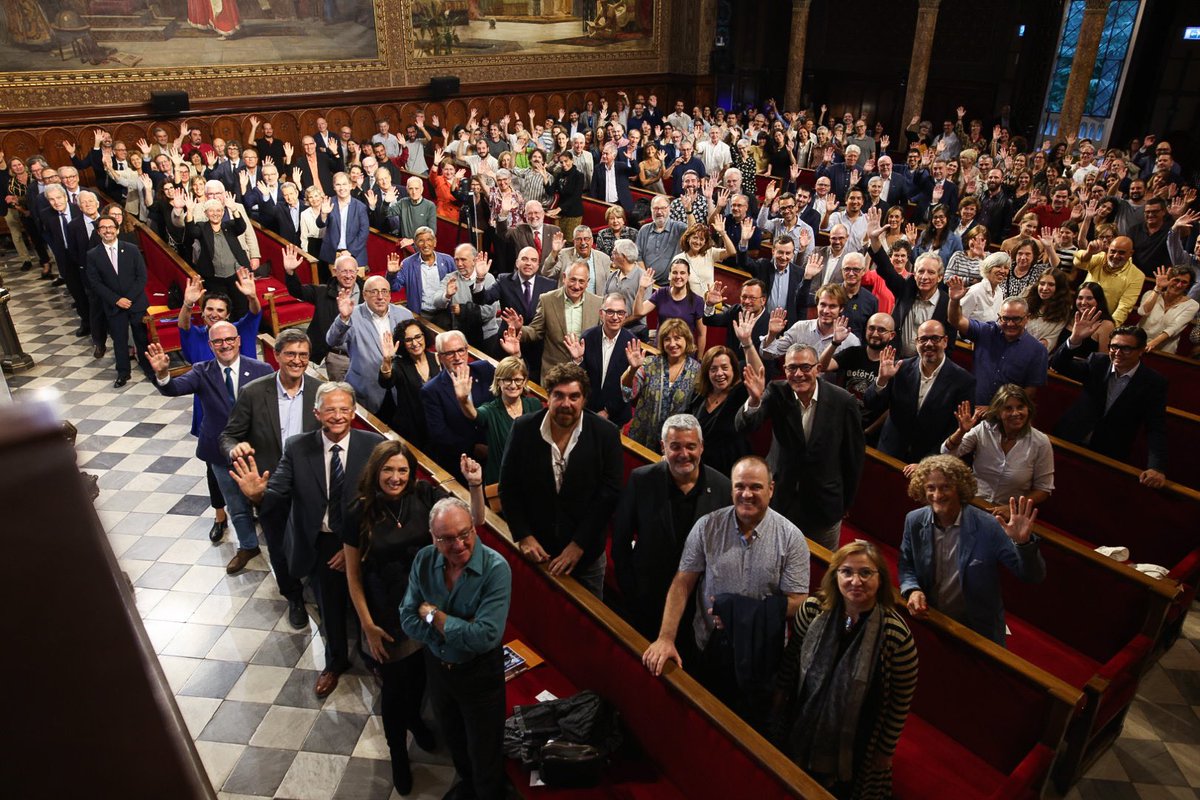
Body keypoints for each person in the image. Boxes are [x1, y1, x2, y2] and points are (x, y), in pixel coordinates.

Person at [343, 442, 485, 795]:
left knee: (422, 678)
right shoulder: (359, 512)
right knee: (394, 691)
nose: (395, 477)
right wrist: (367, 625)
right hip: (386, 616)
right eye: (388, 470)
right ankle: (397, 754)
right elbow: (352, 576)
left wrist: (475, 485)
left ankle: (416, 722)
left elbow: (475, 521)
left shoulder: (423, 496)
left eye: (402, 470)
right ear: (376, 471)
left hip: (429, 610)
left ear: (412, 472)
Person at [231, 382, 386, 697]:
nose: (338, 416)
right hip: (323, 544)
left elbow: (382, 503)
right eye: (330, 409)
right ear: (317, 413)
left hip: (364, 542)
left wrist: (354, 548)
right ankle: (335, 662)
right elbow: (279, 490)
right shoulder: (298, 446)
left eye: (345, 409)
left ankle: (378, 662)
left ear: (354, 412)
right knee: (329, 611)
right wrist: (259, 496)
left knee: (372, 606)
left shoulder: (374, 446)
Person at [642, 456, 810, 726]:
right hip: (707, 646)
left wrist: (740, 611)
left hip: (761, 656)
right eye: (739, 486)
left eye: (755, 487)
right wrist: (665, 637)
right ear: (731, 489)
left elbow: (798, 602)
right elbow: (682, 583)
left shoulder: (791, 539)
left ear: (771, 489)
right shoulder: (708, 526)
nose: (746, 494)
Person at [773, 541, 918, 799]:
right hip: (802, 718)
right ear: (835, 575)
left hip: (856, 736)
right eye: (846, 572)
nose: (855, 581)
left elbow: (900, 701)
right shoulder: (813, 610)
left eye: (865, 573)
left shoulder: (896, 635)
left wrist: (885, 751)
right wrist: (779, 698)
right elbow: (791, 662)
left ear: (881, 579)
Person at [399, 497, 511, 800]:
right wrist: (459, 628)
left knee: (484, 750)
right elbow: (407, 618)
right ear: (434, 538)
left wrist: (434, 615)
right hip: (438, 668)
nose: (459, 544)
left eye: (465, 534)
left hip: (480, 674)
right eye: (447, 538)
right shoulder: (424, 559)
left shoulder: (496, 569)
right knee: (454, 737)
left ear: (474, 530)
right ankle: (469, 787)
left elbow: (485, 637)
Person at [147, 323, 273, 572]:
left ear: (238, 341)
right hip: (219, 452)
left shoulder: (262, 369)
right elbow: (174, 388)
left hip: (257, 451)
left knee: (269, 500)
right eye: (218, 342)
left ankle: (279, 543)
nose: (224, 345)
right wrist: (163, 373)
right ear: (210, 345)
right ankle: (248, 546)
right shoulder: (201, 371)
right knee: (235, 505)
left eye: (229, 340)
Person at [218, 329, 320, 627]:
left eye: (303, 355)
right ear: (277, 356)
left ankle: (320, 593)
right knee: (279, 547)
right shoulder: (253, 392)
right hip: (271, 488)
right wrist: (234, 448)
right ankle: (294, 597)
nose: (297, 360)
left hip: (312, 487)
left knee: (316, 542)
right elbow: (228, 435)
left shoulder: (320, 391)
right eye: (291, 354)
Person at [500, 363, 623, 599]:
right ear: (548, 396)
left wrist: (579, 545)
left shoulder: (605, 434)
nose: (566, 404)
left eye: (574, 396)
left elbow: (609, 495)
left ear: (584, 399)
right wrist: (523, 535)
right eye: (559, 395)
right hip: (538, 551)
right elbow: (509, 487)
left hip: (586, 554)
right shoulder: (523, 429)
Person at [899, 455, 1045, 647]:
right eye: (930, 488)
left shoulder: (988, 526)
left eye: (945, 487)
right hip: (931, 620)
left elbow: (1031, 576)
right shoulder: (914, 520)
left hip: (978, 631)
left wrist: (1023, 543)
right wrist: (912, 590)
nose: (937, 495)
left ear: (959, 488)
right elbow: (906, 564)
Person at [613, 414, 733, 641]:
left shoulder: (722, 488)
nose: (684, 454)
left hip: (697, 606)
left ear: (701, 447)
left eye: (691, 446)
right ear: (663, 447)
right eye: (675, 447)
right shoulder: (642, 480)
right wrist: (631, 590)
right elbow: (621, 540)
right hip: (646, 599)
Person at [736, 344, 865, 551]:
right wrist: (754, 400)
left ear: (818, 368)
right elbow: (745, 426)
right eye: (791, 368)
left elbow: (853, 457)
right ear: (785, 370)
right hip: (781, 499)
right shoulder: (776, 391)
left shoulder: (843, 401)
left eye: (805, 367)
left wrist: (845, 502)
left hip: (824, 505)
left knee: (820, 572)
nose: (798, 374)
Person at [1051, 323, 1168, 488]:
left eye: (1126, 349)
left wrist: (1156, 466)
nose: (1118, 353)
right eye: (1114, 347)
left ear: (1141, 350)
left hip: (1108, 452)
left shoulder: (1153, 382)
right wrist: (1074, 340)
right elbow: (1058, 364)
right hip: (1070, 438)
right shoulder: (1097, 362)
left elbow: (1156, 426)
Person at [866, 320, 975, 464]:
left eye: (935, 338)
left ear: (945, 341)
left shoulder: (963, 381)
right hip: (889, 453)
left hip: (928, 462)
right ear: (916, 342)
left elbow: (953, 430)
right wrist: (882, 381)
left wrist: (929, 462)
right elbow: (871, 404)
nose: (928, 344)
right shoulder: (900, 368)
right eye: (923, 339)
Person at [942, 386, 1054, 517]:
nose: (1016, 413)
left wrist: (1013, 508)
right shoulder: (984, 429)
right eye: (1008, 408)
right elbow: (947, 453)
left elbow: (1043, 489)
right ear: (998, 412)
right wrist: (961, 432)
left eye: (1020, 407)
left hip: (1007, 514)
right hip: (972, 503)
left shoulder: (1041, 442)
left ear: (1028, 409)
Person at [946, 281, 1048, 406]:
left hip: (1007, 417)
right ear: (999, 316)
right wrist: (954, 300)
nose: (1010, 324)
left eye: (1016, 319)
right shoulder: (986, 331)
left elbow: (1030, 392)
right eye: (1005, 318)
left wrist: (996, 410)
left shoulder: (1038, 350)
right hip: (974, 409)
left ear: (1027, 318)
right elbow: (955, 320)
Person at [326, 273, 415, 415]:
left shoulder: (405, 315)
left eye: (384, 291)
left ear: (390, 294)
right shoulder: (351, 315)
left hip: (399, 389)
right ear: (364, 295)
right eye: (374, 292)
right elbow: (332, 341)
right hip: (366, 390)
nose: (380, 297)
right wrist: (343, 319)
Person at [420, 330, 499, 476]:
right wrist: (472, 448)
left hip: (497, 452)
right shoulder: (431, 390)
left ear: (467, 350)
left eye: (461, 350)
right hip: (462, 462)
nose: (457, 357)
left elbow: (509, 393)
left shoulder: (485, 370)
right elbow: (439, 433)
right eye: (450, 353)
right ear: (440, 357)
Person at [504, 261, 601, 379]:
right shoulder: (547, 300)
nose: (576, 286)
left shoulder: (598, 303)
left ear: (587, 283)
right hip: (553, 374)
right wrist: (519, 328)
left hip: (585, 374)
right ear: (564, 277)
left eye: (581, 281)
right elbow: (535, 331)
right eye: (573, 280)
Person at [85, 213, 150, 388]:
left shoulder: (131, 249)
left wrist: (128, 298)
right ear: (98, 232)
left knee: (141, 338)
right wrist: (117, 300)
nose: (108, 230)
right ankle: (123, 372)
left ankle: (148, 368)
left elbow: (142, 277)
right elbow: (95, 283)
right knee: (119, 340)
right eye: (103, 228)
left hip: (135, 303)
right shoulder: (93, 255)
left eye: (111, 227)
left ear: (117, 229)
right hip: (113, 306)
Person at [689, 321, 760, 474]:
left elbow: (757, 372)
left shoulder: (739, 393)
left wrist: (747, 342)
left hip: (732, 467)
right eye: (713, 369)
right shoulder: (699, 395)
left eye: (725, 368)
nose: (719, 373)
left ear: (734, 370)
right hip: (701, 466)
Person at [459, 355, 541, 486]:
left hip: (532, 478)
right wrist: (463, 400)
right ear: (499, 382)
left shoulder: (534, 404)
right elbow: (474, 414)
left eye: (518, 380)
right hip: (502, 483)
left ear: (525, 381)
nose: (513, 385)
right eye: (507, 380)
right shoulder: (491, 410)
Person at [622, 318, 702, 452]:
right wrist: (633, 369)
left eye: (677, 338)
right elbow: (627, 392)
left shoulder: (697, 371)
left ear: (687, 340)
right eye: (667, 339)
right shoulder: (650, 363)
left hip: (676, 445)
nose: (672, 344)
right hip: (643, 436)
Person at [377, 319, 441, 451]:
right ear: (402, 343)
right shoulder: (399, 365)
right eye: (408, 340)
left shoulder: (436, 358)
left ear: (424, 336)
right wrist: (387, 361)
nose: (415, 343)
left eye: (418, 337)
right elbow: (386, 382)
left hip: (437, 425)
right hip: (413, 431)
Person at [578, 293, 637, 426]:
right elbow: (580, 379)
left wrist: (608, 411)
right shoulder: (587, 337)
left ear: (625, 315)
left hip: (617, 418)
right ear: (601, 313)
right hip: (587, 411)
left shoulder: (632, 343)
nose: (615, 317)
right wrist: (576, 361)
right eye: (610, 312)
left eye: (620, 312)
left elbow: (627, 390)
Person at [636, 257, 708, 350]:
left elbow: (702, 334)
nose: (678, 276)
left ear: (688, 276)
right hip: (661, 349)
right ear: (669, 275)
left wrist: (700, 359)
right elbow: (639, 312)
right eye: (674, 272)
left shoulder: (697, 301)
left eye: (682, 273)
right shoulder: (661, 293)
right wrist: (642, 288)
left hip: (684, 353)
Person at [1137, 266, 1198, 354]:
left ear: (1188, 285)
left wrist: (1152, 344)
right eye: (1176, 280)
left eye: (1184, 282)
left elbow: (1174, 328)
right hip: (1138, 342)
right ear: (1168, 279)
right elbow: (1142, 312)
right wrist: (1158, 288)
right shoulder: (1150, 294)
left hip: (1164, 350)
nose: (1179, 285)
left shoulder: (1192, 305)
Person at [637, 194, 689, 286]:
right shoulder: (644, 229)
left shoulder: (678, 228)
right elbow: (638, 256)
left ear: (669, 209)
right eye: (656, 208)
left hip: (671, 285)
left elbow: (693, 231)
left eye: (663, 208)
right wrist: (646, 277)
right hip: (647, 283)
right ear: (651, 210)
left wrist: (689, 211)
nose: (659, 212)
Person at [1023, 269, 1074, 350]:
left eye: (1051, 284)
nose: (1045, 288)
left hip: (1038, 352)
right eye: (1042, 283)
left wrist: (1044, 343)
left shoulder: (1063, 310)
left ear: (1059, 288)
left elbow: (1051, 339)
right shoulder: (1027, 295)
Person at [957, 252, 1012, 324]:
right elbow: (958, 319)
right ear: (988, 268)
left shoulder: (1000, 293)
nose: (1002, 271)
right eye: (998, 266)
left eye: (1006, 268)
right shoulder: (975, 291)